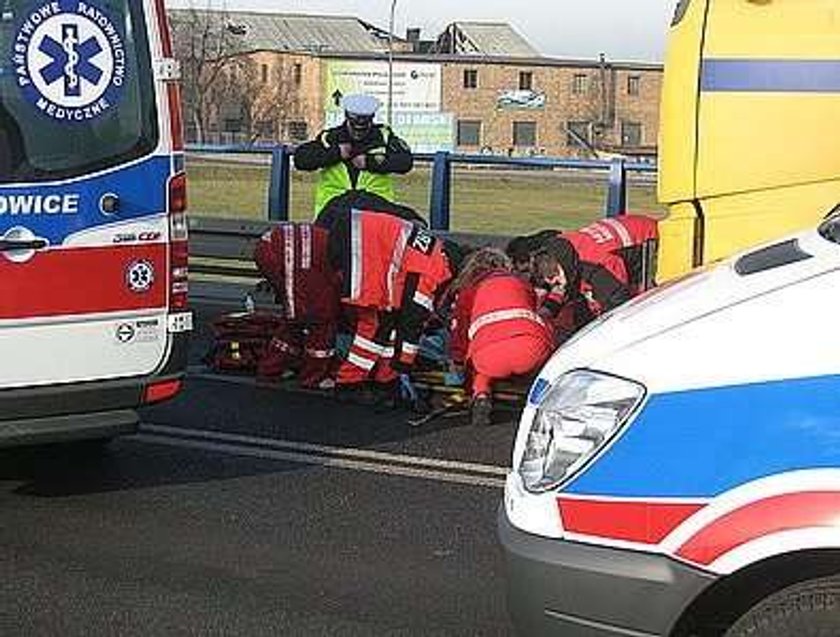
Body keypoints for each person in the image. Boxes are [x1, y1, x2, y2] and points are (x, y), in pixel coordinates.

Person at [327, 209, 460, 396]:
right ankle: (349, 383)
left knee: (388, 321)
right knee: (374, 326)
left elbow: (404, 310)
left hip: (358, 237)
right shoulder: (436, 270)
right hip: (360, 245)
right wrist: (404, 365)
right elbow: (412, 320)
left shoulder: (434, 252)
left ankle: (384, 378)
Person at [448, 248, 555, 426]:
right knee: (538, 353)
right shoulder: (520, 283)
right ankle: (541, 399)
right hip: (530, 348)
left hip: (489, 355)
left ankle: (481, 396)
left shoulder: (469, 290)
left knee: (479, 369)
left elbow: (460, 332)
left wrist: (459, 362)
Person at [294, 94, 417, 224]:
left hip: (376, 211)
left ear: (371, 120)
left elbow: (406, 162)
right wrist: (335, 153)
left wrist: (371, 162)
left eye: (364, 127)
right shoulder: (331, 138)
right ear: (347, 117)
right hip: (332, 213)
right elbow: (300, 159)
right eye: (354, 127)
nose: (358, 132)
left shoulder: (383, 137)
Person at [253, 223, 341, 389]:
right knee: (318, 320)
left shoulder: (331, 240)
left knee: (296, 321)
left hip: (276, 249)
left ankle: (271, 369)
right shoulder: (341, 253)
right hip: (286, 254)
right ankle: (313, 378)